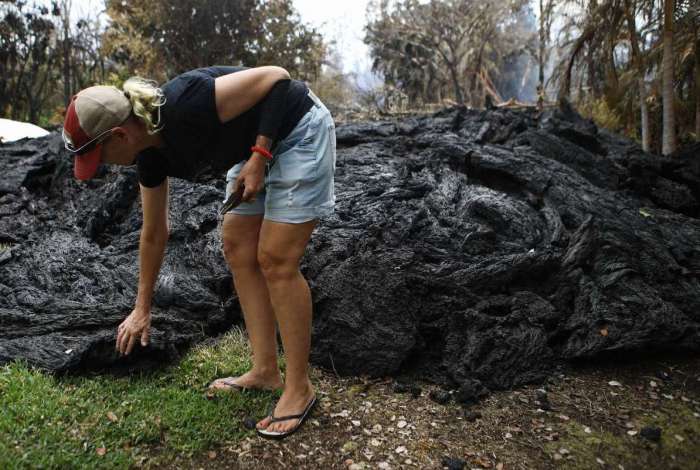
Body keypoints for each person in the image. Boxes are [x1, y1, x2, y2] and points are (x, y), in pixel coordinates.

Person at [61, 65, 336, 439]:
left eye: (99, 156)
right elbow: (155, 233)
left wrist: (259, 155)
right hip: (252, 145)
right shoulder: (150, 157)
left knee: (276, 258)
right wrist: (142, 309)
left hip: (297, 129)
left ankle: (299, 388)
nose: (102, 167)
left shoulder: (185, 102)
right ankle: (265, 371)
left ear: (120, 135)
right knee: (237, 246)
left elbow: (279, 79)